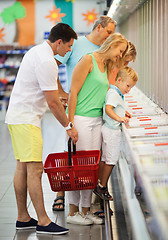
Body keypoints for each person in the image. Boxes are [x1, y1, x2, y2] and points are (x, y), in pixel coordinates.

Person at [5, 23, 78, 235]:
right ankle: (44, 222)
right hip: (27, 120)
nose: (69, 51)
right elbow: (53, 103)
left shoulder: (37, 51)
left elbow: (52, 90)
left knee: (22, 167)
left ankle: (23, 218)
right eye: (69, 46)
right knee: (35, 170)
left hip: (17, 116)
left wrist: (61, 95)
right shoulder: (47, 61)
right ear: (59, 42)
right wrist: (69, 126)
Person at [52, 15, 117, 211]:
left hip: (94, 110)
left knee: (87, 155)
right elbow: (53, 66)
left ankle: (85, 199)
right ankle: (61, 193)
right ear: (98, 28)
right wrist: (61, 92)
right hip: (76, 107)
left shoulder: (104, 51)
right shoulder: (77, 45)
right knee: (70, 153)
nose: (109, 36)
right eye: (108, 32)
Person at [66, 33, 128, 225]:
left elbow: (109, 93)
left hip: (96, 120)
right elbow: (73, 92)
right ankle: (73, 212)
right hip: (81, 119)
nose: (120, 55)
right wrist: (70, 124)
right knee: (78, 167)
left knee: (90, 169)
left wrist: (121, 112)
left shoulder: (105, 66)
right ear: (112, 44)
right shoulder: (88, 60)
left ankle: (86, 211)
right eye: (120, 50)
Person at [93, 67, 138, 200]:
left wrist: (123, 113)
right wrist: (119, 118)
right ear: (119, 80)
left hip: (108, 129)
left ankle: (100, 183)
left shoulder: (114, 91)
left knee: (105, 158)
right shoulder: (114, 94)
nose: (128, 90)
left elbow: (115, 107)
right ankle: (102, 186)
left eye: (131, 87)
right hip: (112, 131)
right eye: (128, 86)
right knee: (111, 160)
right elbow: (108, 109)